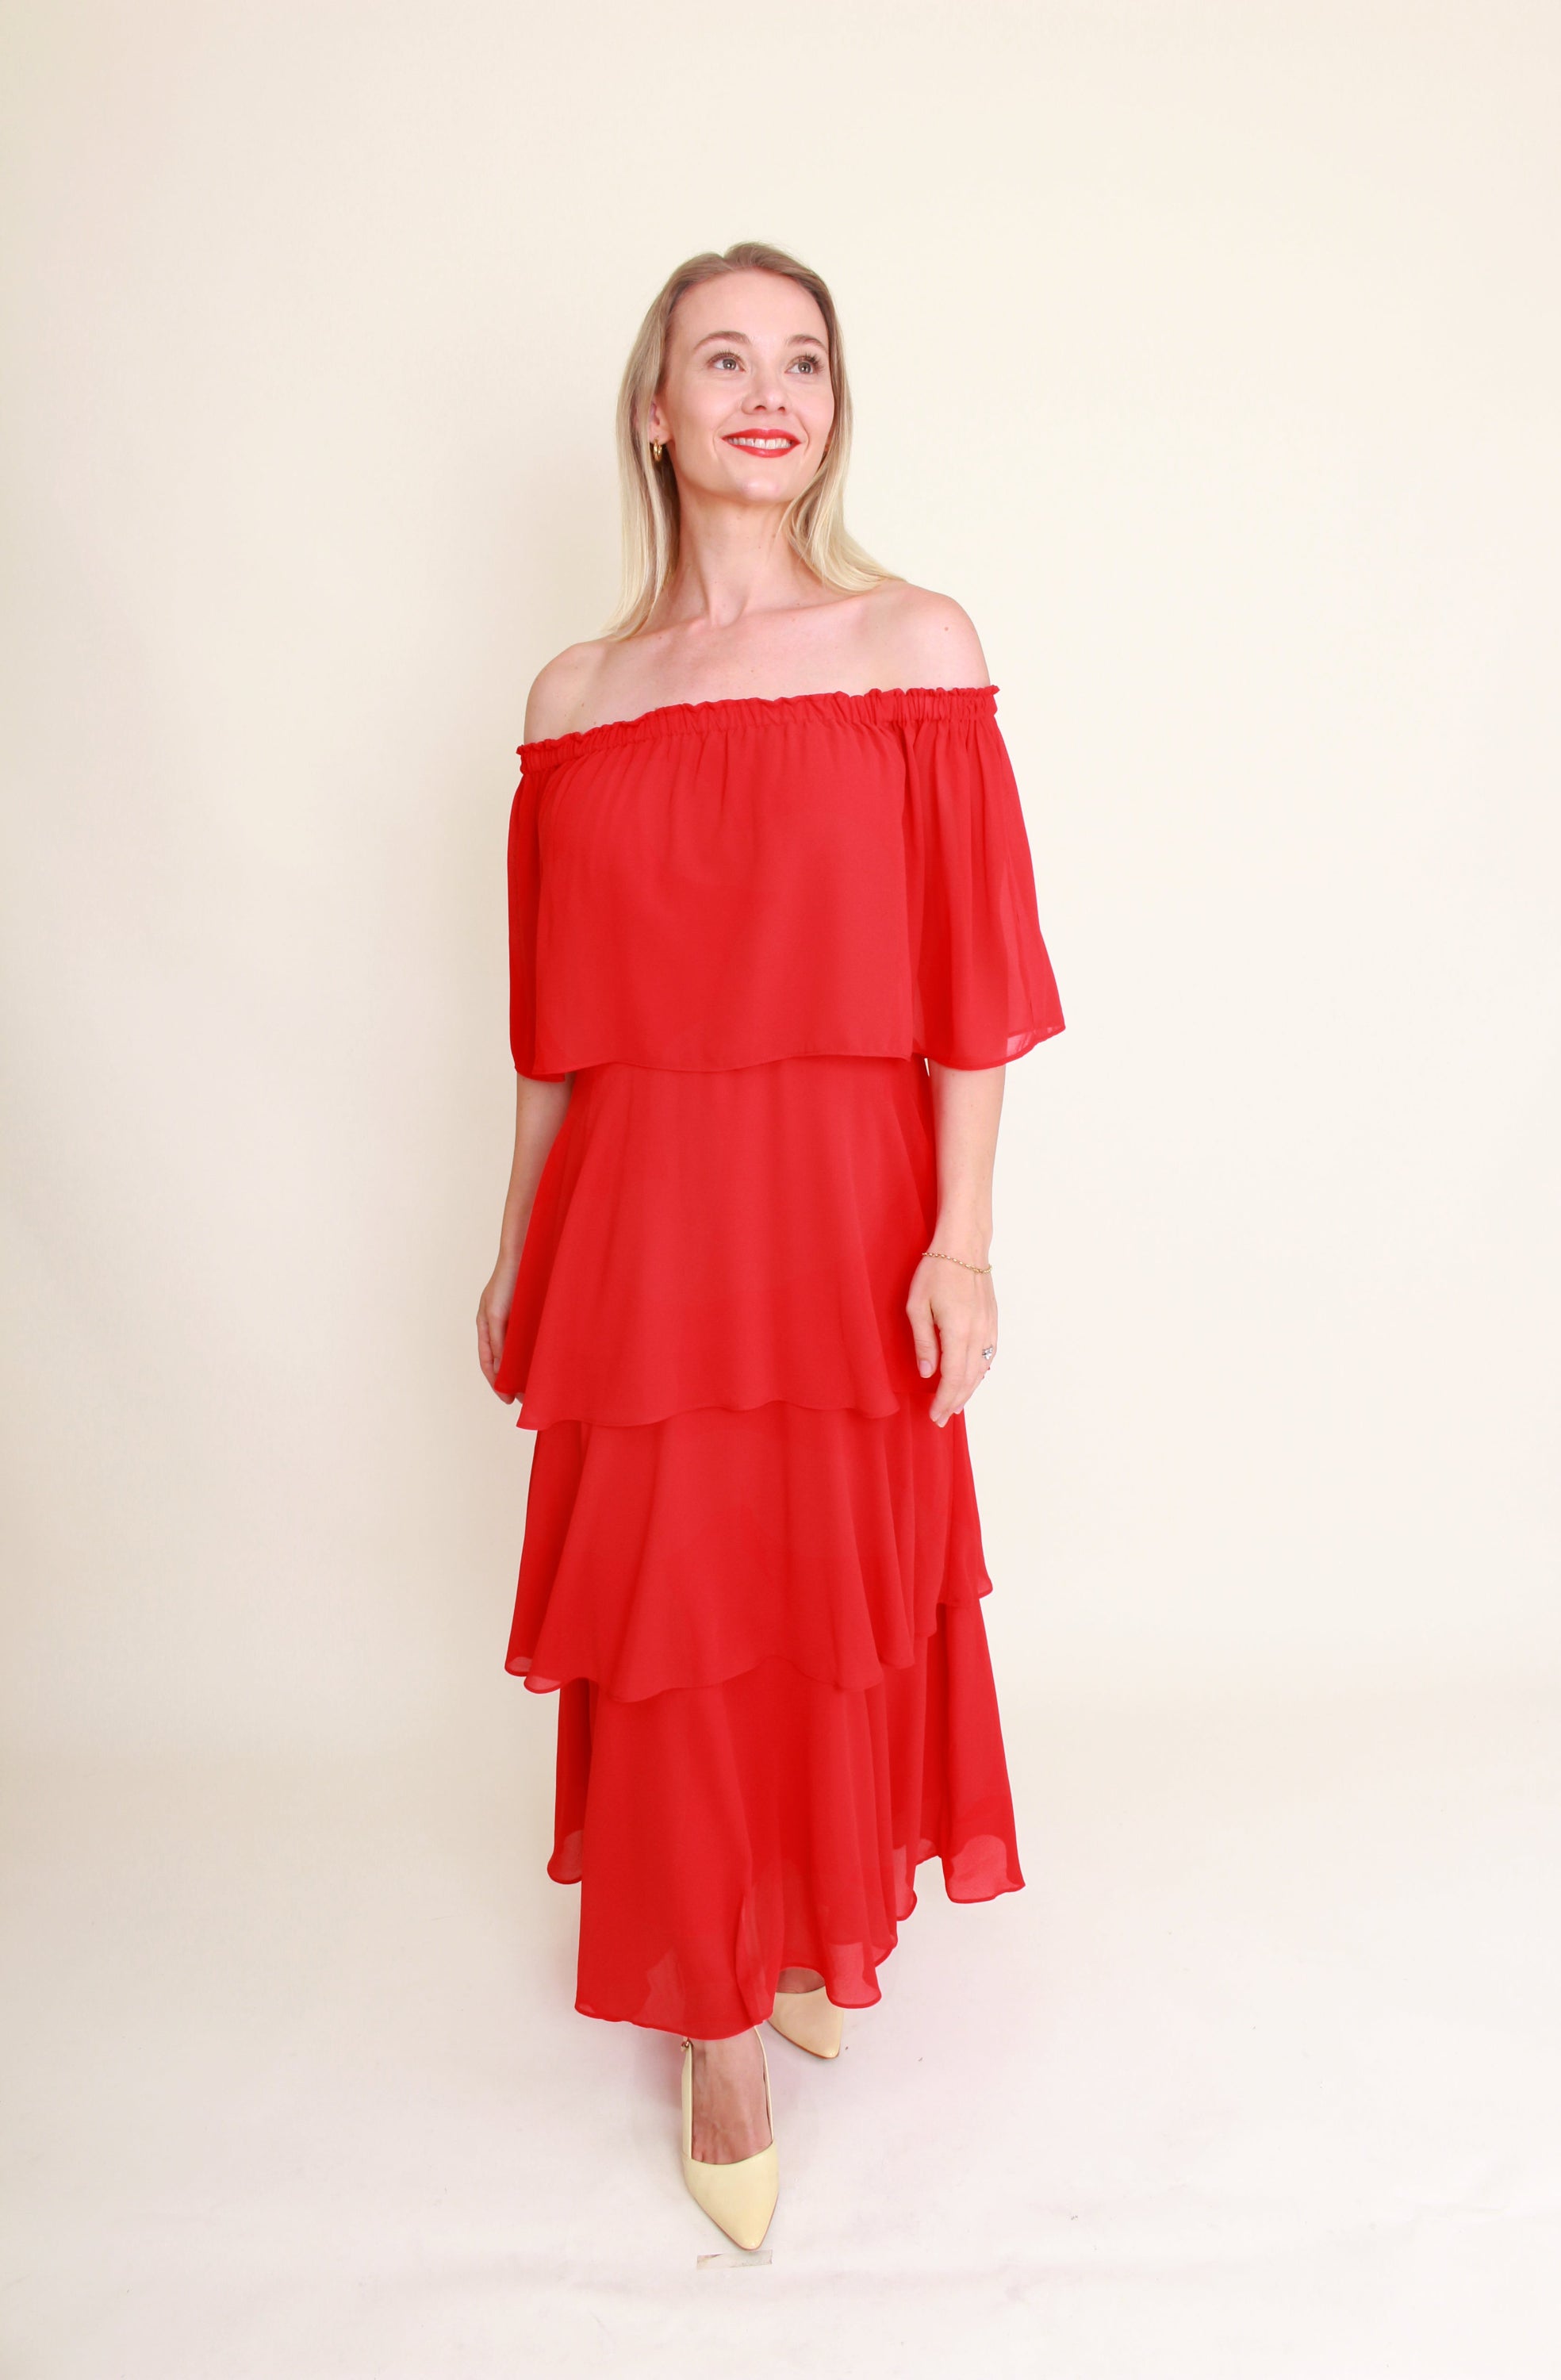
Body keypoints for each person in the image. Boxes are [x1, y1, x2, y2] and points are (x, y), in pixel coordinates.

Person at [475, 240, 1064, 2249]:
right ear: (653, 411)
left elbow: (971, 981)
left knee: (822, 1586)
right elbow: (553, 1020)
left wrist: (961, 1241)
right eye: (718, 358)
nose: (764, 390)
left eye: (801, 361)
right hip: (639, 1218)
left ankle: (806, 1922)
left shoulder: (909, 642)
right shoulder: (578, 697)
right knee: (672, 1609)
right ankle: (714, 2020)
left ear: (831, 408)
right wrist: (512, 1239)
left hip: (843, 1206)